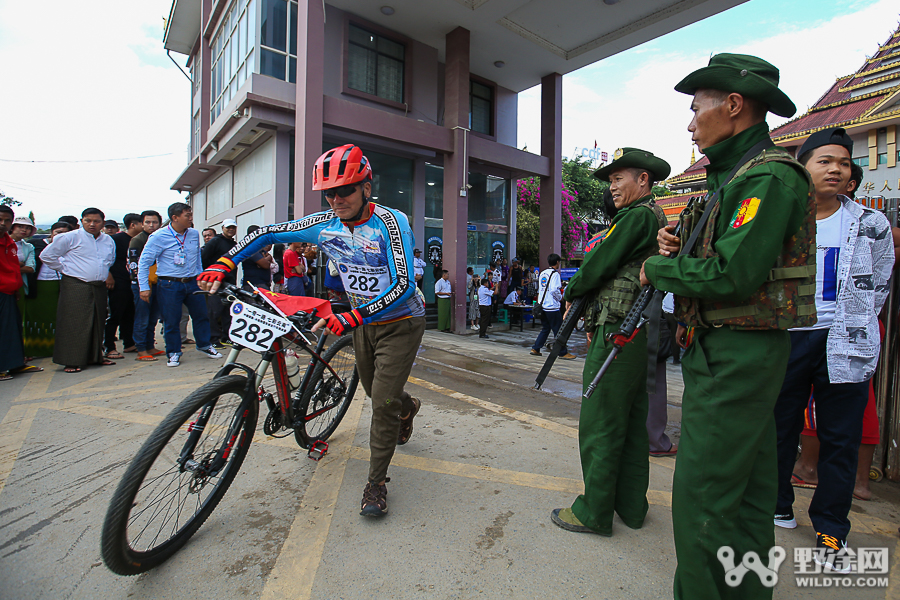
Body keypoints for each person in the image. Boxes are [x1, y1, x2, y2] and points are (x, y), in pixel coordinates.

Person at [640, 54, 816, 599]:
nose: (690, 123)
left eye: (697, 109)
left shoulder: (765, 177)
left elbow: (732, 273)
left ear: (734, 106)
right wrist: (679, 244)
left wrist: (659, 266)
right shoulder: (732, 177)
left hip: (735, 352)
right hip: (733, 350)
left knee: (703, 497)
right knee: (748, 496)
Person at [199, 144, 425, 517]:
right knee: (378, 392)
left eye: (346, 190)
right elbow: (268, 234)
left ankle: (376, 483)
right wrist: (226, 261)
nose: (337, 200)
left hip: (401, 322)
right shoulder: (325, 224)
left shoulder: (391, 222)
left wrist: (353, 316)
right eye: (330, 193)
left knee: (379, 402)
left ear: (367, 187)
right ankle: (407, 406)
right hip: (362, 322)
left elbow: (403, 284)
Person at [771, 128, 893, 571]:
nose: (836, 169)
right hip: (790, 334)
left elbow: (879, 281)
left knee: (840, 436)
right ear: (803, 167)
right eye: (824, 161)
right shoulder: (783, 219)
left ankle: (831, 527)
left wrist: (852, 318)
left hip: (847, 338)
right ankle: (778, 503)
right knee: (779, 425)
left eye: (843, 162)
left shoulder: (870, 222)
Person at [551, 148, 670, 536]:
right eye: (611, 180)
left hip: (619, 330)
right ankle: (632, 506)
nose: (613, 186)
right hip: (636, 331)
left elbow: (599, 263)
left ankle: (595, 511)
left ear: (643, 181)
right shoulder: (650, 216)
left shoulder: (636, 217)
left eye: (619, 178)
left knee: (601, 419)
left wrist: (574, 286)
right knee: (633, 422)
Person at [138, 203, 222, 368]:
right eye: (187, 215)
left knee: (201, 315)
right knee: (171, 320)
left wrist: (201, 278)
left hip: (192, 282)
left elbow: (196, 257)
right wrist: (144, 287)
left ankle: (205, 345)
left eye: (191, 214)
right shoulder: (158, 236)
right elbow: (144, 262)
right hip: (169, 284)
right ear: (175, 218)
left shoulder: (193, 234)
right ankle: (174, 352)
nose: (190, 218)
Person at [40, 208, 118, 373]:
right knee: (74, 322)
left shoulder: (108, 240)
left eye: (96, 221)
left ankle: (95, 356)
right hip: (75, 284)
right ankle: (71, 360)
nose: (92, 224)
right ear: (81, 221)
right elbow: (46, 256)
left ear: (102, 223)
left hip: (98, 285)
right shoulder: (69, 237)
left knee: (98, 320)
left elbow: (109, 260)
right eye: (87, 220)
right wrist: (65, 269)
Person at [23, 221, 72, 358]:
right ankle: (33, 350)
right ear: (52, 233)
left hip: (61, 284)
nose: (61, 236)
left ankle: (56, 349)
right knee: (36, 317)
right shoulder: (36, 244)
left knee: (58, 318)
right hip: (39, 286)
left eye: (65, 233)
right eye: (58, 232)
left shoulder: (70, 247)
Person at [0, 206, 35, 381]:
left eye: (6, 220)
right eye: (0, 220)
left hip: (10, 291)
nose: (2, 224)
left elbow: (15, 268)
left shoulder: (9, 242)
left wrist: (15, 288)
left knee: (11, 329)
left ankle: (14, 364)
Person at [104, 213, 141, 359]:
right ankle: (109, 346)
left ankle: (129, 343)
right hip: (117, 281)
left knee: (129, 313)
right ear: (133, 225)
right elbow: (106, 260)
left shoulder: (139, 240)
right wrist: (109, 276)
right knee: (115, 314)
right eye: (142, 223)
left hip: (132, 282)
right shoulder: (116, 239)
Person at [128, 210, 163, 361]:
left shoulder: (160, 238)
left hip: (157, 283)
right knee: (142, 317)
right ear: (142, 224)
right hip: (142, 285)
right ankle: (141, 349)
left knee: (152, 317)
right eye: (148, 222)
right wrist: (143, 287)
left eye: (154, 222)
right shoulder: (137, 240)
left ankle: (150, 345)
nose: (151, 225)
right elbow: (133, 265)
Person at [530, 254, 575, 360]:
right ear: (558, 262)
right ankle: (562, 352)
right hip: (552, 307)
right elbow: (555, 289)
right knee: (559, 330)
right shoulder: (555, 274)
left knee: (545, 328)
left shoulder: (543, 273)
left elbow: (540, 289)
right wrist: (560, 297)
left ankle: (536, 348)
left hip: (542, 305)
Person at [201, 219, 238, 347]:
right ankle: (213, 339)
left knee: (228, 311)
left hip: (230, 282)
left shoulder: (234, 244)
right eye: (228, 227)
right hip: (216, 282)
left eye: (233, 227)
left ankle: (226, 337)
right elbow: (203, 259)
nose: (231, 229)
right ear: (223, 228)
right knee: (214, 311)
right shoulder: (215, 241)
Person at [241, 225, 275, 290]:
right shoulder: (250, 247)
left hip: (262, 284)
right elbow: (265, 265)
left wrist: (265, 258)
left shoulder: (258, 247)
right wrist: (265, 259)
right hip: (254, 285)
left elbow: (269, 257)